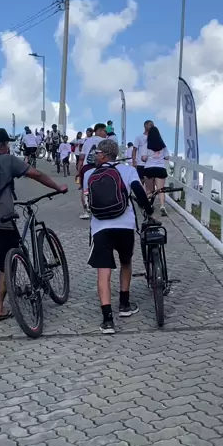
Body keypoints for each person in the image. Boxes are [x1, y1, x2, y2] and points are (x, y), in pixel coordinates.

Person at [0, 128, 67, 335]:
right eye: (7, 144)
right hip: (2, 223)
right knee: (7, 265)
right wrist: (57, 187)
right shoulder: (8, 160)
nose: (8, 147)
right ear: (1, 146)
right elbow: (35, 173)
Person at [84, 138, 154, 334]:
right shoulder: (128, 170)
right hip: (125, 225)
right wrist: (149, 211)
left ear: (103, 155)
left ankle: (107, 320)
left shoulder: (89, 174)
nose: (95, 156)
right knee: (126, 262)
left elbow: (86, 201)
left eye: (97, 153)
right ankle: (124, 304)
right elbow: (139, 192)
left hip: (100, 227)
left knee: (103, 272)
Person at [77, 123, 107, 219]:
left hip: (86, 167)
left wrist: (78, 172)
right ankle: (101, 210)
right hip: (101, 167)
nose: (106, 133)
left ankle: (86, 211)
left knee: (85, 190)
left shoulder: (87, 141)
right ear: (99, 130)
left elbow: (81, 158)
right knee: (102, 189)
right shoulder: (105, 141)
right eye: (105, 131)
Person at [141, 126, 170, 216]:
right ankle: (162, 205)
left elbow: (143, 158)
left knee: (149, 190)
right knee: (160, 190)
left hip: (149, 168)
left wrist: (148, 157)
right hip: (160, 169)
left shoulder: (146, 145)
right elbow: (167, 157)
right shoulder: (163, 145)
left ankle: (149, 206)